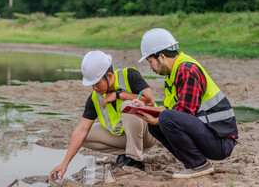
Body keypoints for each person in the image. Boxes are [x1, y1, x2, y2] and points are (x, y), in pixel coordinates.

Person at [134, 28, 238, 179]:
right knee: (156, 124)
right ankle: (195, 161)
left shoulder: (187, 69)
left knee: (164, 119)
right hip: (210, 136)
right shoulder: (173, 73)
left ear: (161, 56)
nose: (150, 67)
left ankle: (198, 164)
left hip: (221, 142)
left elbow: (182, 113)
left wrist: (158, 118)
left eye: (150, 62)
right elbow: (169, 108)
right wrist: (146, 109)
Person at [49, 50, 157, 181]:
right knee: (85, 136)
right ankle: (126, 154)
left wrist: (118, 95)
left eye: (97, 83)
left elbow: (149, 100)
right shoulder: (94, 98)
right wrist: (64, 163)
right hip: (126, 136)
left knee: (128, 105)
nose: (94, 88)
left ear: (110, 76)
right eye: (91, 84)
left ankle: (135, 160)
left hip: (149, 132)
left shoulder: (129, 75)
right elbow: (81, 129)